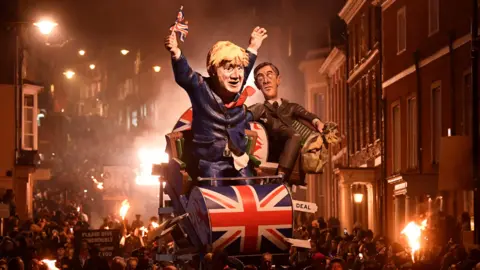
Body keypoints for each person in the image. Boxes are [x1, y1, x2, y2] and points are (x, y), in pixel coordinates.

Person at [164, 26, 267, 185]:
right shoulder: (200, 87)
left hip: (238, 159)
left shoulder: (237, 85)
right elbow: (184, 75)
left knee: (249, 193)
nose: (235, 75)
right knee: (214, 197)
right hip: (210, 162)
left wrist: (253, 46)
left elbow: (246, 67)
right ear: (212, 70)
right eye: (228, 68)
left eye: (238, 68)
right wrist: (176, 53)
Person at [247, 62, 327, 181]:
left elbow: (307, 115)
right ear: (257, 85)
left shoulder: (291, 107)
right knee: (258, 110)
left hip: (290, 162)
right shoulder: (260, 109)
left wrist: (317, 122)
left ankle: (282, 175)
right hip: (269, 156)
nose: (266, 81)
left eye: (270, 75)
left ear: (278, 80)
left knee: (294, 135)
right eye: (260, 77)